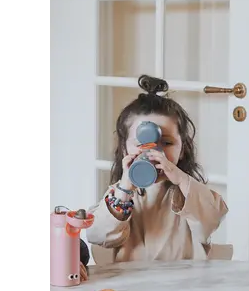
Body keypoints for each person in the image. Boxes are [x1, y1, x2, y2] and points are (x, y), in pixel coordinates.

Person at [86, 74, 228, 261]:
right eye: (142, 144)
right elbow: (96, 235)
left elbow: (213, 218)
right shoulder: (120, 194)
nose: (154, 152)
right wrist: (124, 190)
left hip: (184, 278)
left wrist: (180, 178)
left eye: (166, 143)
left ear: (183, 149)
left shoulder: (189, 194)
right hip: (132, 278)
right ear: (124, 149)